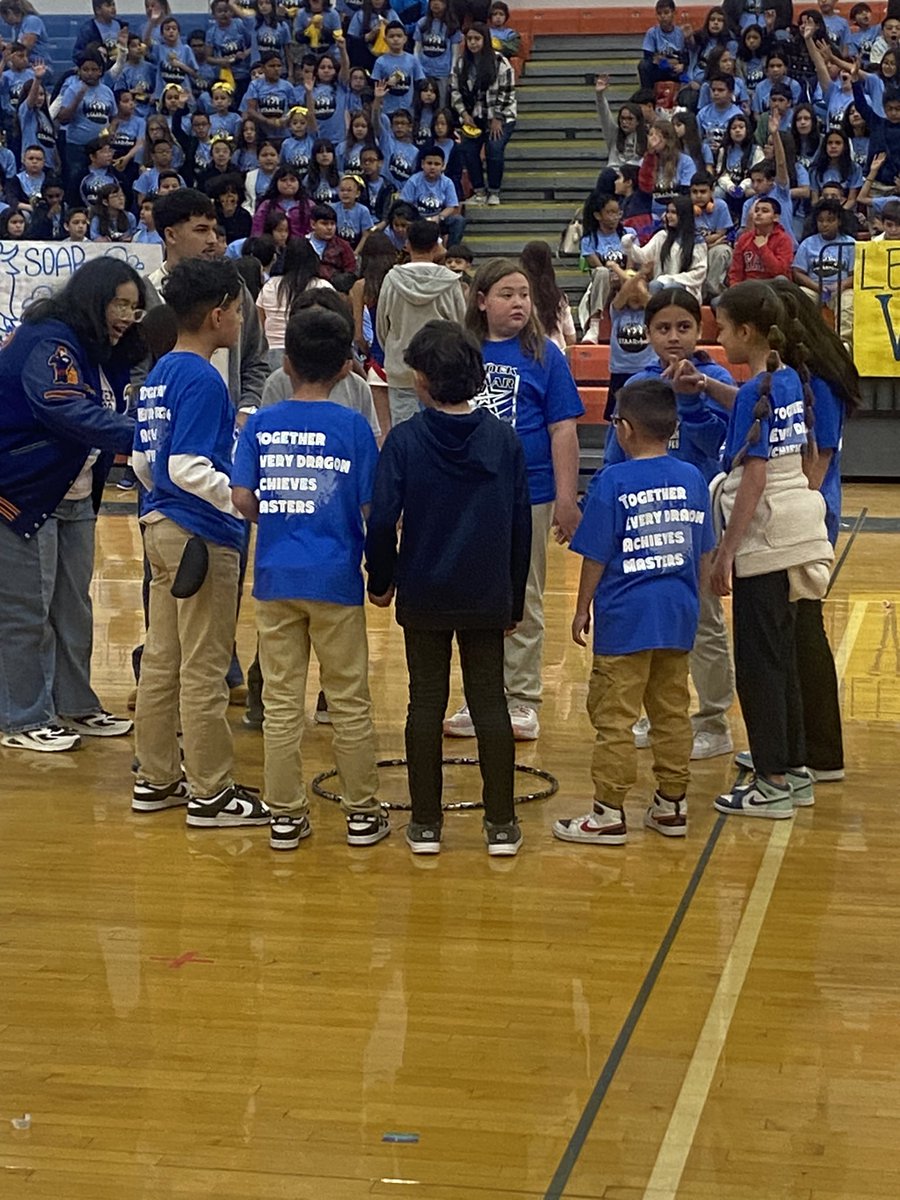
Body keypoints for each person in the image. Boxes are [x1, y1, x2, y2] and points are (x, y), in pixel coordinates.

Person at [365, 320, 531, 856]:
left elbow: (382, 517)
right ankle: (501, 825)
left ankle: (426, 825)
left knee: (424, 704)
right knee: (490, 704)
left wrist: (382, 579)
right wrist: (513, 595)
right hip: (486, 592)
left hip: (425, 590)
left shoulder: (407, 440)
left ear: (421, 381)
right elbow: (520, 523)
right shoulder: (503, 439)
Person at [232, 306, 388, 850]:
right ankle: (362, 812)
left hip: (275, 578)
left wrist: (279, 511)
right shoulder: (352, 428)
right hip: (336, 580)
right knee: (348, 700)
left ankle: (284, 815)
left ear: (287, 361)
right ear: (347, 367)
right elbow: (373, 505)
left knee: (280, 702)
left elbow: (243, 499)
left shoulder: (261, 425)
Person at [131, 257, 269, 828]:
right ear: (218, 315)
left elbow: (144, 461)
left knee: (162, 659)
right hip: (200, 536)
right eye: (238, 312)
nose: (241, 321)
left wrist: (164, 498)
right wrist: (240, 498)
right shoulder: (206, 379)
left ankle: (155, 777)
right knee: (205, 665)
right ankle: (211, 793)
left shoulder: (161, 371)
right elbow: (188, 465)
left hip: (158, 529)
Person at [552, 378, 715, 846]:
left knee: (614, 719)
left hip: (625, 621)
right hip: (678, 617)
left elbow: (597, 555)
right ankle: (671, 804)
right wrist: (699, 604)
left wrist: (582, 608)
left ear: (623, 429)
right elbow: (701, 552)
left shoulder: (612, 482)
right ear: (674, 427)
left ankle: (608, 813)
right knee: (672, 713)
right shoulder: (692, 479)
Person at [0, 257, 142, 752]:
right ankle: (21, 717)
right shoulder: (50, 341)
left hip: (74, 492)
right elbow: (62, 406)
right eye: (119, 303)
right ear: (91, 298)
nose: (126, 315)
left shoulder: (104, 349)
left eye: (134, 307)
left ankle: (74, 704)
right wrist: (147, 434)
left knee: (73, 607)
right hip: (21, 490)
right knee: (25, 610)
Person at [445, 258, 583, 741]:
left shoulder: (546, 355)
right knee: (474, 598)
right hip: (467, 495)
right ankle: (480, 696)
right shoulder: (461, 352)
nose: (519, 302)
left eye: (524, 293)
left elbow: (563, 429)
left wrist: (567, 498)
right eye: (507, 293)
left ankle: (522, 699)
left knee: (523, 596)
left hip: (531, 494)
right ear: (481, 300)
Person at [711, 280, 834, 819]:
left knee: (758, 665)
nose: (718, 336)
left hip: (764, 538)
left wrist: (724, 554)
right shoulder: (792, 379)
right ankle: (796, 770)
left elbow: (754, 478)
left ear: (745, 331)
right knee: (783, 658)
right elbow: (804, 460)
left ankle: (771, 783)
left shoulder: (753, 393)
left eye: (721, 327)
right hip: (799, 527)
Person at [601, 287, 736, 760]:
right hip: (640, 519)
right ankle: (648, 711)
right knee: (643, 614)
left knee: (703, 619)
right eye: (663, 328)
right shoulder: (636, 386)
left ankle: (714, 720)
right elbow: (616, 453)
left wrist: (694, 402)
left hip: (692, 521)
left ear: (700, 331)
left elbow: (719, 447)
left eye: (684, 327)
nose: (673, 338)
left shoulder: (715, 378)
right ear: (649, 333)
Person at [376, 218, 466, 425]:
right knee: (442, 431)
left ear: (407, 244)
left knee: (406, 432)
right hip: (442, 369)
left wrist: (393, 348)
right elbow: (460, 325)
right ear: (437, 245)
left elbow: (382, 326)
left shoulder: (391, 278)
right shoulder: (450, 281)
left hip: (401, 366)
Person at [450, 21, 516, 205]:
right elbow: (455, 90)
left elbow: (507, 92)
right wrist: (464, 114)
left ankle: (494, 191)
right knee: (467, 149)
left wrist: (497, 118)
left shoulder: (500, 62)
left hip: (501, 116)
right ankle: (479, 191)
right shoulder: (461, 63)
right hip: (473, 117)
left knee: (494, 148)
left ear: (485, 40)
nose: (473, 43)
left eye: (477, 39)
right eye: (469, 39)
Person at [622, 195, 709, 301]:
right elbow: (643, 257)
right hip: (660, 283)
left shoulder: (697, 242)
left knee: (670, 288)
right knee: (654, 285)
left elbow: (698, 273)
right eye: (668, 212)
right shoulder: (662, 236)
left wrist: (671, 279)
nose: (668, 216)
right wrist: (629, 246)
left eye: (674, 212)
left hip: (687, 289)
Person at [519, 240, 575, 351]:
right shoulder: (560, 297)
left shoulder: (520, 297)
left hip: (528, 354)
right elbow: (571, 337)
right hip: (557, 353)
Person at [728, 194, 794, 282]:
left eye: (765, 211)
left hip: (773, 288)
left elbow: (780, 272)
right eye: (756, 210)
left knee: (781, 279)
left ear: (775, 217)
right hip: (748, 288)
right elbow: (736, 272)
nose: (758, 214)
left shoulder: (783, 239)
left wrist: (763, 248)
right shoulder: (744, 239)